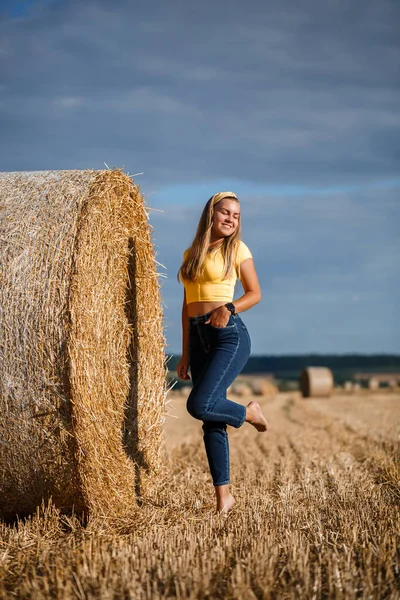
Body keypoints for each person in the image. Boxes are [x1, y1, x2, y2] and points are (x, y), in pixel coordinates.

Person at [176, 191, 268, 514]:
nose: (231, 219)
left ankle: (249, 414)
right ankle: (223, 498)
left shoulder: (238, 250)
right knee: (210, 418)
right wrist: (185, 352)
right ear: (211, 215)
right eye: (225, 213)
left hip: (229, 335)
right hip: (199, 336)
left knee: (199, 404)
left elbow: (254, 293)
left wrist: (229, 307)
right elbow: (187, 307)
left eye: (237, 216)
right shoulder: (191, 254)